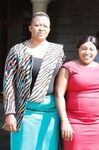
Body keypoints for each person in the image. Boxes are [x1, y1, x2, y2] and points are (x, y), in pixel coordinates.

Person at [2, 12, 65, 150]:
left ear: (49, 29)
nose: (41, 28)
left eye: (45, 26)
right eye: (37, 25)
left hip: (50, 113)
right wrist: (9, 113)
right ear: (30, 28)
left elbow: (61, 83)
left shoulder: (57, 51)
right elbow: (8, 83)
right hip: (24, 113)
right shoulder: (17, 50)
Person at [55, 36, 99, 150]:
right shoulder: (68, 67)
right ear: (78, 49)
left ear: (97, 51)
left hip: (98, 124)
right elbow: (59, 95)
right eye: (84, 48)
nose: (87, 52)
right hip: (74, 123)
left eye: (91, 49)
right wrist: (65, 121)